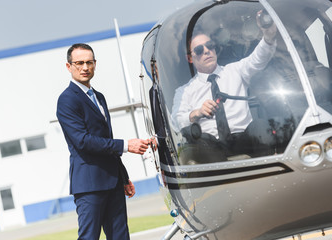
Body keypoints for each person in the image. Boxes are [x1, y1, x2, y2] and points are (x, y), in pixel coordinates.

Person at [56, 43, 150, 240]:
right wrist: (126, 145)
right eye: (79, 63)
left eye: (89, 62)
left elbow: (105, 139)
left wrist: (122, 177)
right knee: (89, 237)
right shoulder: (67, 100)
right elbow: (82, 141)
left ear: (95, 64)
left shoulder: (99, 97)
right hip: (89, 184)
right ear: (69, 66)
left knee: (120, 237)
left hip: (113, 181)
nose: (85, 67)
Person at [172, 11, 277, 159]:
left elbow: (258, 58)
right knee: (200, 142)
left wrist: (269, 36)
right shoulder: (184, 91)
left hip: (244, 138)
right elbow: (176, 121)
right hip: (212, 146)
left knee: (260, 126)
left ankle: (269, 169)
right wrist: (198, 112)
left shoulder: (235, 70)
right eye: (199, 50)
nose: (207, 51)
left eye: (210, 46)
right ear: (190, 58)